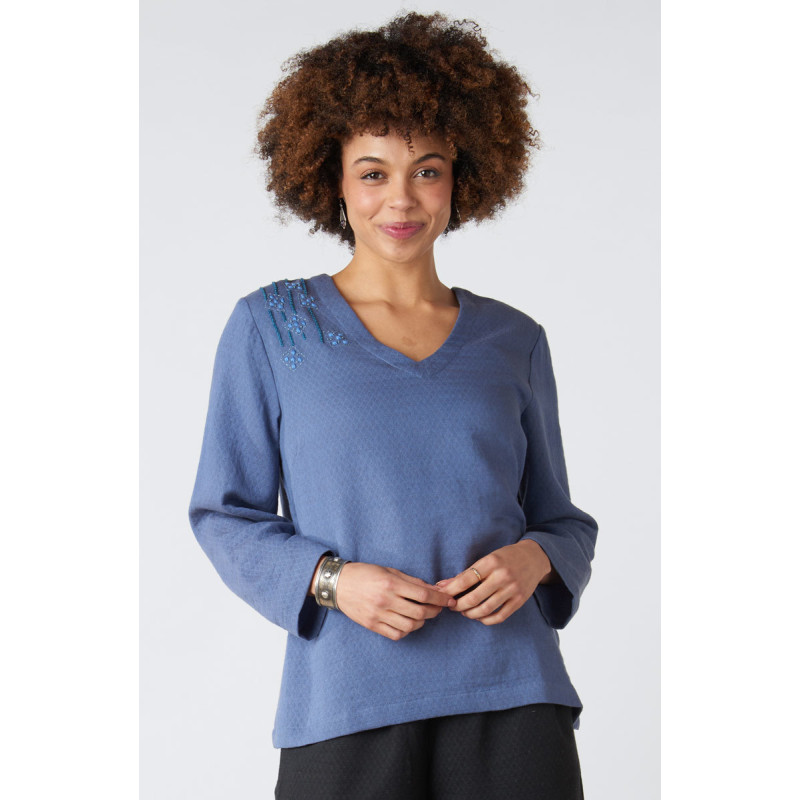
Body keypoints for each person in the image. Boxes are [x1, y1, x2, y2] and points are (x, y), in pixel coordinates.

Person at [188, 11, 599, 799]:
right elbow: (224, 513)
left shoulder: (514, 339)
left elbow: (562, 521)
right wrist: (334, 582)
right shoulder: (273, 328)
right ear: (334, 181)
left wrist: (536, 557)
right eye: (373, 172)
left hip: (513, 701)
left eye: (427, 170)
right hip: (346, 703)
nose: (401, 199)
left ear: (461, 178)